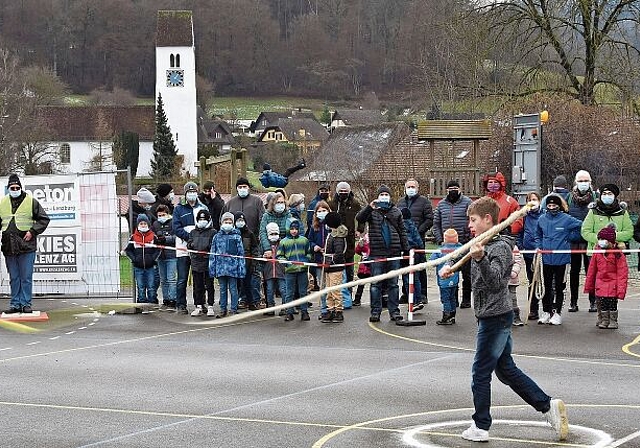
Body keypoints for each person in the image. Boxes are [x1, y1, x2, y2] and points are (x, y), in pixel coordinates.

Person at [439, 196, 569, 443]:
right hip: (491, 316)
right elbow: (465, 256)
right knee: (506, 370)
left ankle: (480, 425)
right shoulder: (482, 242)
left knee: (480, 372)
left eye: (473, 220)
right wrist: (452, 266)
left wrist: (480, 259)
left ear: (488, 220)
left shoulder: (499, 247)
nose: (469, 224)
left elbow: (498, 281)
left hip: (495, 318)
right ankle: (548, 406)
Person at [356, 185, 409, 322]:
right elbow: (360, 218)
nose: (384, 196)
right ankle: (375, 311)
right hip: (377, 252)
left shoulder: (396, 211)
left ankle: (394, 312)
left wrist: (406, 249)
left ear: (390, 197)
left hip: (394, 252)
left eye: (386, 194)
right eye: (382, 194)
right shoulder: (372, 212)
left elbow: (402, 231)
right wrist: (370, 207)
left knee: (393, 284)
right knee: (375, 284)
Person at [0, 174, 50, 314]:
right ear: (8, 188)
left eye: (17, 187)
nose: (14, 189)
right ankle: (15, 304)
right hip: (9, 246)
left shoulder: (31, 202)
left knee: (26, 277)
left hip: (26, 246)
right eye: (12, 187)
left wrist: (33, 231)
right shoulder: (2, 203)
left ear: (21, 188)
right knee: (14, 278)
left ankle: (26, 303)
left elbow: (44, 219)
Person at [581, 183, 633, 312]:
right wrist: (599, 240)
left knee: (614, 282)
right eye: (604, 194)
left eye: (609, 194)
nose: (606, 196)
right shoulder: (593, 211)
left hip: (615, 254)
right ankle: (598, 308)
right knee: (596, 281)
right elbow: (585, 231)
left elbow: (628, 232)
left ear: (615, 196)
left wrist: (613, 238)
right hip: (595, 253)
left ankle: (612, 310)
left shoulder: (622, 212)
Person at [535, 194, 583, 325]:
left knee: (559, 287)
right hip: (546, 259)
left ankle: (556, 313)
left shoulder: (566, 219)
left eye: (554, 205)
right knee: (546, 286)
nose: (552, 207)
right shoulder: (542, 219)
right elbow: (537, 235)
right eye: (549, 205)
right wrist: (539, 246)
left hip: (561, 259)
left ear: (559, 206)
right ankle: (546, 311)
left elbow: (581, 226)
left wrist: (571, 237)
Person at [432, 180, 473, 308]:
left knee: (467, 274)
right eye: (451, 188)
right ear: (447, 190)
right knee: (450, 272)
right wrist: (440, 240)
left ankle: (466, 299)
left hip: (464, 244)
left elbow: (473, 219)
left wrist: (469, 239)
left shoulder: (468, 202)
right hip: (447, 247)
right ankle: (452, 300)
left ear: (460, 189)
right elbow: (436, 224)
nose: (453, 190)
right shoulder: (441, 204)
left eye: (456, 188)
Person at [172, 181, 207, 314]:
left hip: (198, 249)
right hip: (183, 249)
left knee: (199, 278)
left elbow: (207, 225)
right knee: (182, 278)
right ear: (185, 194)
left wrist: (197, 241)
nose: (192, 194)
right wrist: (189, 237)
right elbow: (176, 227)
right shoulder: (178, 208)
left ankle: (200, 303)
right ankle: (181, 304)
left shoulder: (202, 207)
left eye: (194, 192)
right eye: (189, 192)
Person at [397, 178, 433, 304]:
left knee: (419, 267)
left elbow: (429, 219)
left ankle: (422, 294)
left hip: (418, 240)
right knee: (405, 267)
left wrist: (418, 230)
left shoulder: (424, 202)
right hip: (403, 240)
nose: (410, 189)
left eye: (413, 187)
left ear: (417, 188)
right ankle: (406, 293)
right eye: (408, 187)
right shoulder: (400, 202)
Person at [584, 224, 628, 329]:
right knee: (601, 302)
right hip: (600, 283)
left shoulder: (618, 254)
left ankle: (613, 320)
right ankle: (604, 319)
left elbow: (622, 272)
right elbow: (592, 269)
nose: (601, 241)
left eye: (604, 239)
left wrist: (621, 289)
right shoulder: (597, 251)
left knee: (612, 303)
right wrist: (589, 285)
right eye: (600, 239)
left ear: (611, 241)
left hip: (613, 284)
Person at [567, 170, 597, 312]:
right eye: (581, 180)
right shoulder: (568, 198)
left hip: (590, 241)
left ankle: (593, 301)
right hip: (573, 241)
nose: (583, 183)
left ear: (590, 182)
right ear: (575, 182)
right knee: (574, 272)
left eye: (586, 181)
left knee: (591, 271)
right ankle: (573, 302)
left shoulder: (596, 198)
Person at [329, 181, 362, 308]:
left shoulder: (354, 203)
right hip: (335, 238)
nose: (343, 193)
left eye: (345, 191)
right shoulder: (332, 203)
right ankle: (335, 296)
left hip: (349, 240)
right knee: (336, 269)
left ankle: (348, 295)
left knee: (348, 270)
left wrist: (359, 229)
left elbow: (361, 217)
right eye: (341, 191)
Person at [209, 212, 246, 317]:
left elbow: (241, 254)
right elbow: (213, 254)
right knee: (222, 289)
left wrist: (241, 269)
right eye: (226, 221)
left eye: (230, 222)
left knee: (233, 289)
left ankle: (234, 309)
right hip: (220, 268)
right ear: (221, 223)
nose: (228, 223)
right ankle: (222, 309)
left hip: (233, 269)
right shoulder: (216, 237)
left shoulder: (236, 237)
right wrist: (212, 268)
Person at [277, 219, 312, 322]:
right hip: (290, 271)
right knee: (289, 292)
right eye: (292, 228)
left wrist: (306, 259)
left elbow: (309, 253)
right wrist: (286, 262)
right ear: (288, 229)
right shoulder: (283, 242)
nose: (294, 231)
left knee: (303, 291)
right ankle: (289, 312)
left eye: (296, 228)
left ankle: (304, 311)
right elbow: (280, 256)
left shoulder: (304, 240)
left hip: (302, 270)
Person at [124, 214, 160, 310]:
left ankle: (152, 303)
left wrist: (153, 259)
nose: (143, 225)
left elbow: (158, 249)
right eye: (141, 223)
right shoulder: (133, 237)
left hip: (150, 267)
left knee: (151, 286)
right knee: (140, 286)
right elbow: (128, 250)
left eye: (145, 223)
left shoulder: (153, 237)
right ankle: (141, 304)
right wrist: (134, 259)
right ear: (138, 225)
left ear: (148, 224)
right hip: (138, 267)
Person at [518, 191, 543, 320]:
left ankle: (547, 309)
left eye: (535, 199)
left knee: (544, 280)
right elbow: (519, 232)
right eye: (530, 199)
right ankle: (533, 309)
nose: (532, 202)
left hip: (542, 253)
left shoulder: (544, 215)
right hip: (528, 252)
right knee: (531, 280)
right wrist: (521, 245)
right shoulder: (524, 216)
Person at [188, 209, 217, 317]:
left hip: (208, 262)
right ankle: (198, 305)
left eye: (204, 219)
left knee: (209, 285)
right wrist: (192, 245)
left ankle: (210, 306)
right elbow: (189, 244)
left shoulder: (213, 232)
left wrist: (206, 249)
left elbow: (214, 246)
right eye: (200, 219)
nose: (202, 221)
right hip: (196, 262)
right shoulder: (193, 232)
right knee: (197, 285)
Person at [429, 228, 461, 325]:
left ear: (445, 238)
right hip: (455, 279)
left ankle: (446, 316)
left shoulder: (440, 251)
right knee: (452, 297)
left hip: (443, 280)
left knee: (445, 299)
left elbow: (432, 262)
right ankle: (452, 315)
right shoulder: (460, 249)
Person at [321, 212, 348, 323]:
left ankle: (338, 311)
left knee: (335, 290)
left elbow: (338, 253)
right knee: (329, 290)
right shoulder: (332, 234)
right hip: (328, 267)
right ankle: (330, 309)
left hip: (335, 268)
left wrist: (331, 262)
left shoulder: (338, 237)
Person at [307, 201, 331, 315]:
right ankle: (324, 309)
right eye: (319, 211)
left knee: (331, 285)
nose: (322, 213)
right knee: (322, 285)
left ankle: (333, 307)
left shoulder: (331, 225)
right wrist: (315, 247)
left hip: (331, 260)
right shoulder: (314, 227)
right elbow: (309, 241)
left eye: (324, 211)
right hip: (318, 259)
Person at [151, 204, 177, 311]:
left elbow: (177, 237)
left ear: (168, 214)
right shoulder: (155, 224)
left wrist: (166, 239)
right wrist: (155, 239)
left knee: (171, 279)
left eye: (163, 214)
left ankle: (173, 300)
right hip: (160, 256)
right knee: (163, 279)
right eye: (159, 215)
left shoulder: (173, 223)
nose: (161, 217)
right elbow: (151, 235)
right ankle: (165, 299)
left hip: (171, 255)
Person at [234, 211, 262, 311]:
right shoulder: (233, 234)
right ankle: (238, 301)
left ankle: (251, 302)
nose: (240, 222)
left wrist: (253, 261)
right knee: (237, 284)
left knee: (248, 284)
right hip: (235, 264)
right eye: (238, 220)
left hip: (247, 263)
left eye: (242, 220)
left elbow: (254, 248)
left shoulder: (250, 234)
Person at [482, 171, 523, 236]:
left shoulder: (510, 201)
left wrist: (509, 230)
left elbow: (518, 220)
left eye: (495, 182)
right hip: (484, 237)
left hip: (504, 237)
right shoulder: (482, 202)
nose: (493, 184)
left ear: (501, 184)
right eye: (490, 182)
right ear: (486, 185)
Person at [400, 207, 424, 310]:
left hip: (406, 253)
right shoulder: (413, 225)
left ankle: (412, 301)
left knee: (407, 278)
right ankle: (418, 300)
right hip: (416, 253)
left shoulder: (401, 226)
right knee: (416, 278)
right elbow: (419, 240)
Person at [262, 222, 286, 316]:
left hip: (281, 272)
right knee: (269, 290)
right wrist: (263, 257)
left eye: (276, 234)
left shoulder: (282, 244)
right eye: (271, 234)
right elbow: (259, 257)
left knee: (283, 289)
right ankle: (271, 307)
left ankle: (285, 307)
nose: (274, 236)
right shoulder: (264, 246)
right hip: (268, 272)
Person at [354, 232, 370, 307]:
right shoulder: (364, 239)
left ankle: (376, 300)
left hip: (371, 268)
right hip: (363, 268)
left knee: (375, 285)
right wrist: (360, 245)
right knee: (360, 285)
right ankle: (357, 299)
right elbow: (357, 251)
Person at [509, 245, 524, 326]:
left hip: (511, 279)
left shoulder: (513, 247)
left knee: (513, 298)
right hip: (498, 279)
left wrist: (513, 273)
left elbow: (518, 262)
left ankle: (516, 316)